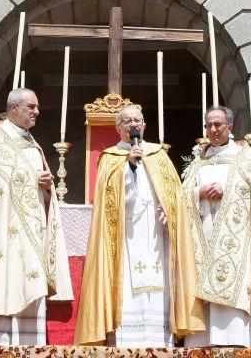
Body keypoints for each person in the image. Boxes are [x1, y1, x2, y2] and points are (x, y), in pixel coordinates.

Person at [75, 104, 204, 346]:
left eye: (138, 120)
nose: (134, 124)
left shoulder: (159, 155)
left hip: (157, 233)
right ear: (119, 128)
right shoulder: (111, 157)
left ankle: (160, 340)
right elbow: (108, 198)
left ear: (144, 125)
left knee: (159, 283)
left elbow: (175, 195)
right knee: (128, 282)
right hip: (126, 235)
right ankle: (126, 340)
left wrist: (170, 210)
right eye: (127, 121)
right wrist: (129, 167)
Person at [0, 88, 72, 345]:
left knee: (29, 283)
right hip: (3, 234)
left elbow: (38, 184)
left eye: (36, 107)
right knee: (2, 277)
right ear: (14, 107)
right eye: (31, 107)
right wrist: (33, 180)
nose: (37, 112)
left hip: (30, 231)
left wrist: (47, 186)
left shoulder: (31, 142)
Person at [182, 106, 251, 347]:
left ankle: (236, 340)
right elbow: (182, 194)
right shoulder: (198, 161)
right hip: (203, 235)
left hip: (235, 242)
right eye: (208, 125)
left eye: (218, 125)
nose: (212, 130)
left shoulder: (244, 157)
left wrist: (228, 190)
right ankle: (201, 342)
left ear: (230, 128)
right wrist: (197, 192)